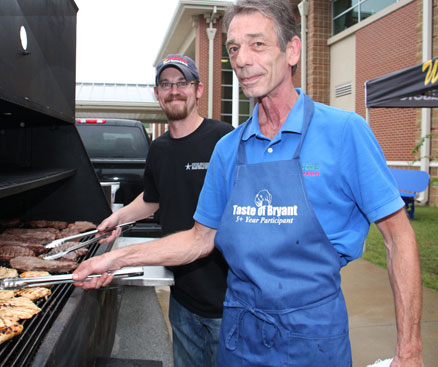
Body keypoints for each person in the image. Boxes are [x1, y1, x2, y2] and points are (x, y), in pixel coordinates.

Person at [73, 1, 424, 366]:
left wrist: (410, 351)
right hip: (239, 337)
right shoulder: (228, 149)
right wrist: (116, 259)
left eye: (257, 44)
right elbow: (198, 239)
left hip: (312, 338)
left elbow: (399, 237)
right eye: (234, 48)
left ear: (292, 50)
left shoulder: (344, 132)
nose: (241, 60)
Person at [96, 54, 233, 367]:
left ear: (197, 89)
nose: (175, 90)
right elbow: (153, 199)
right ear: (156, 93)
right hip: (182, 296)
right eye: (166, 84)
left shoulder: (224, 139)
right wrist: (117, 217)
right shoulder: (158, 149)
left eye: (182, 82)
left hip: (228, 301)